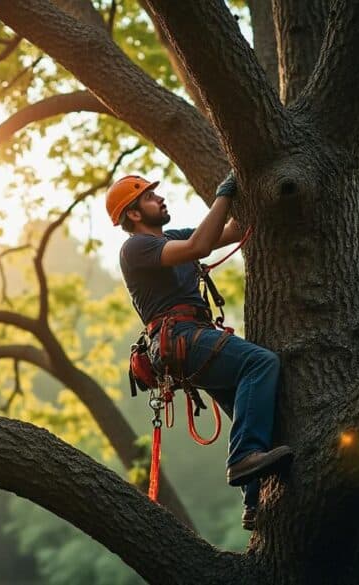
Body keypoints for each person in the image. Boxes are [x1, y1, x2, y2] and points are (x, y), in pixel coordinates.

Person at [107, 173, 292, 530]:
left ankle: (254, 500)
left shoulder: (169, 238)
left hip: (190, 339)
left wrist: (255, 189)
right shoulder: (136, 248)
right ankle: (243, 459)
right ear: (133, 214)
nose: (160, 200)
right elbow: (199, 248)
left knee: (253, 405)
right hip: (182, 337)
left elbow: (231, 232)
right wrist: (223, 192)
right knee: (260, 364)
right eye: (149, 198)